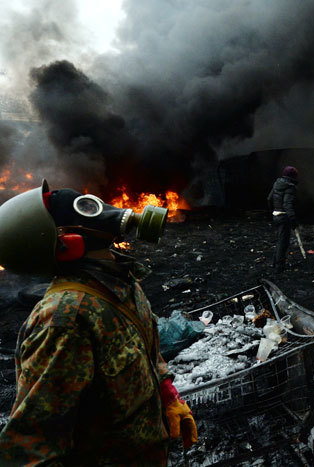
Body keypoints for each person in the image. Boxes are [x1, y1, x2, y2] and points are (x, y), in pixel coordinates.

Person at [0, 181, 197, 465]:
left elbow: (147, 346)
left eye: (90, 203)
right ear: (67, 241)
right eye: (86, 209)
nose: (103, 210)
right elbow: (33, 448)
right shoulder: (64, 321)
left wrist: (167, 395)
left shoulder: (122, 281)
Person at [268, 166, 299, 273]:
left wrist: (273, 211)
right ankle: (279, 267)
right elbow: (287, 204)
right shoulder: (290, 187)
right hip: (284, 217)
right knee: (283, 243)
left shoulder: (277, 183)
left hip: (276, 215)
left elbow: (269, 198)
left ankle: (274, 263)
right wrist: (293, 220)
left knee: (279, 240)